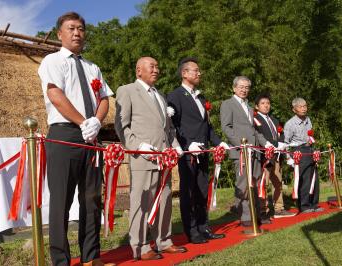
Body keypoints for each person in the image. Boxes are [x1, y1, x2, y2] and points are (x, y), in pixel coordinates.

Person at [38, 12, 114, 266]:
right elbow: (55, 94)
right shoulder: (53, 61)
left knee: (92, 199)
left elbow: (104, 98)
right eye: (71, 28)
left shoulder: (93, 67)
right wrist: (83, 121)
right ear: (60, 33)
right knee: (61, 201)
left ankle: (91, 257)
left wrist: (95, 122)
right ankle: (60, 261)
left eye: (81, 28)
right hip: (65, 134)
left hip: (92, 135)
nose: (77, 33)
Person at [114, 56, 187, 260]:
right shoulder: (127, 90)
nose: (156, 69)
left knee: (164, 201)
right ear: (139, 70)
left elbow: (168, 129)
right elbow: (122, 126)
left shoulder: (160, 95)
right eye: (151, 66)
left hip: (164, 158)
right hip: (143, 158)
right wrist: (138, 146)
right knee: (141, 202)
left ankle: (164, 241)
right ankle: (140, 246)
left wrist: (175, 146)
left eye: (157, 66)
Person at [167, 57, 227, 244]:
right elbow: (173, 125)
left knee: (202, 191)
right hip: (187, 153)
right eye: (195, 70)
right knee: (188, 193)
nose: (199, 73)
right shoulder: (175, 96)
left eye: (199, 70)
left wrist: (218, 142)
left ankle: (204, 227)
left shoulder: (201, 97)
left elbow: (206, 126)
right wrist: (187, 145)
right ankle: (191, 231)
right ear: (184, 73)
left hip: (204, 151)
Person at [220, 76, 272, 227]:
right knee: (243, 184)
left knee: (254, 183)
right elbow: (226, 127)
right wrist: (241, 144)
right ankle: (245, 216)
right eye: (241, 87)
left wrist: (267, 144)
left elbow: (254, 131)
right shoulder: (228, 104)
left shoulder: (250, 108)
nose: (244, 90)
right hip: (241, 151)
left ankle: (256, 215)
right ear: (234, 88)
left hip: (255, 151)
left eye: (247, 87)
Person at [254, 93, 296, 218]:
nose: (266, 106)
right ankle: (263, 210)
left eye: (268, 103)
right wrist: (276, 144)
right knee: (264, 183)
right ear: (256, 106)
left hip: (277, 155)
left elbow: (281, 133)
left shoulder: (274, 119)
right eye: (263, 103)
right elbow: (261, 137)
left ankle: (279, 209)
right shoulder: (255, 119)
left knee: (277, 182)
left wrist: (282, 143)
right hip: (264, 156)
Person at [284, 97, 323, 213]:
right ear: (294, 109)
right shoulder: (290, 124)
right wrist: (288, 158)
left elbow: (310, 136)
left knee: (314, 178)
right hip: (299, 151)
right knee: (304, 179)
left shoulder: (308, 119)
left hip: (310, 149)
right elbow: (285, 142)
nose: (304, 109)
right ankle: (304, 205)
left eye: (305, 106)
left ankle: (314, 203)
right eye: (300, 107)